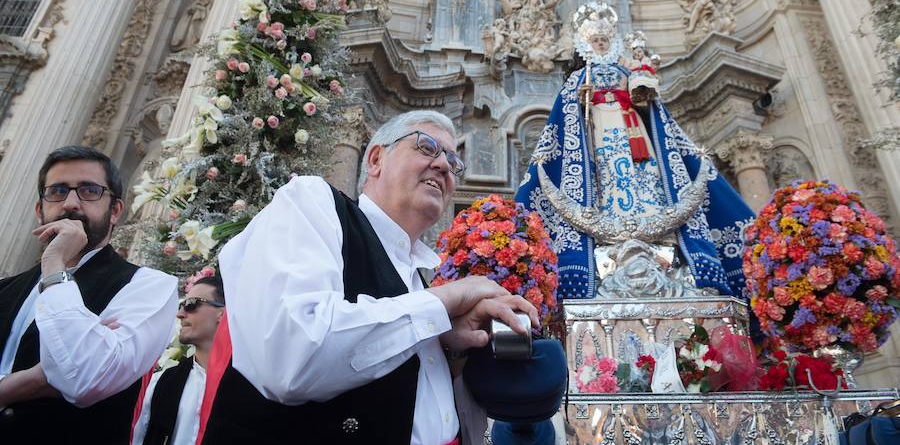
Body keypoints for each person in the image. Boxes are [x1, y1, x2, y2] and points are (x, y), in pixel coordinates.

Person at [201, 111, 539, 445]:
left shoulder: (419, 281)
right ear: (376, 158)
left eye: (453, 161)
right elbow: (292, 359)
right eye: (426, 147)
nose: (444, 165)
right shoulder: (312, 202)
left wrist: (453, 350)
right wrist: (446, 299)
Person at [516, 2, 754, 299]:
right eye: (595, 41)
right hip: (598, 132)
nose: (601, 44)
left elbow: (648, 103)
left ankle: (649, 210)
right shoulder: (580, 76)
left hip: (632, 130)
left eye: (604, 40)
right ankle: (608, 211)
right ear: (586, 45)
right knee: (606, 173)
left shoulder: (622, 70)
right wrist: (583, 100)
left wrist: (640, 90)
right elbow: (568, 117)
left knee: (643, 170)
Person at [0, 146, 177, 444]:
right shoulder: (5, 288)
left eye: (89, 191)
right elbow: (74, 366)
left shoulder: (148, 285)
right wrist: (34, 381)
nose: (71, 203)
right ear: (39, 209)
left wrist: (55, 266)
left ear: (115, 211)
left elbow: (87, 379)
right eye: (57, 191)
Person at [132, 275, 225, 445]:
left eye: (191, 304)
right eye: (182, 305)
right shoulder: (162, 381)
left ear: (222, 313)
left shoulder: (250, 383)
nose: (180, 314)